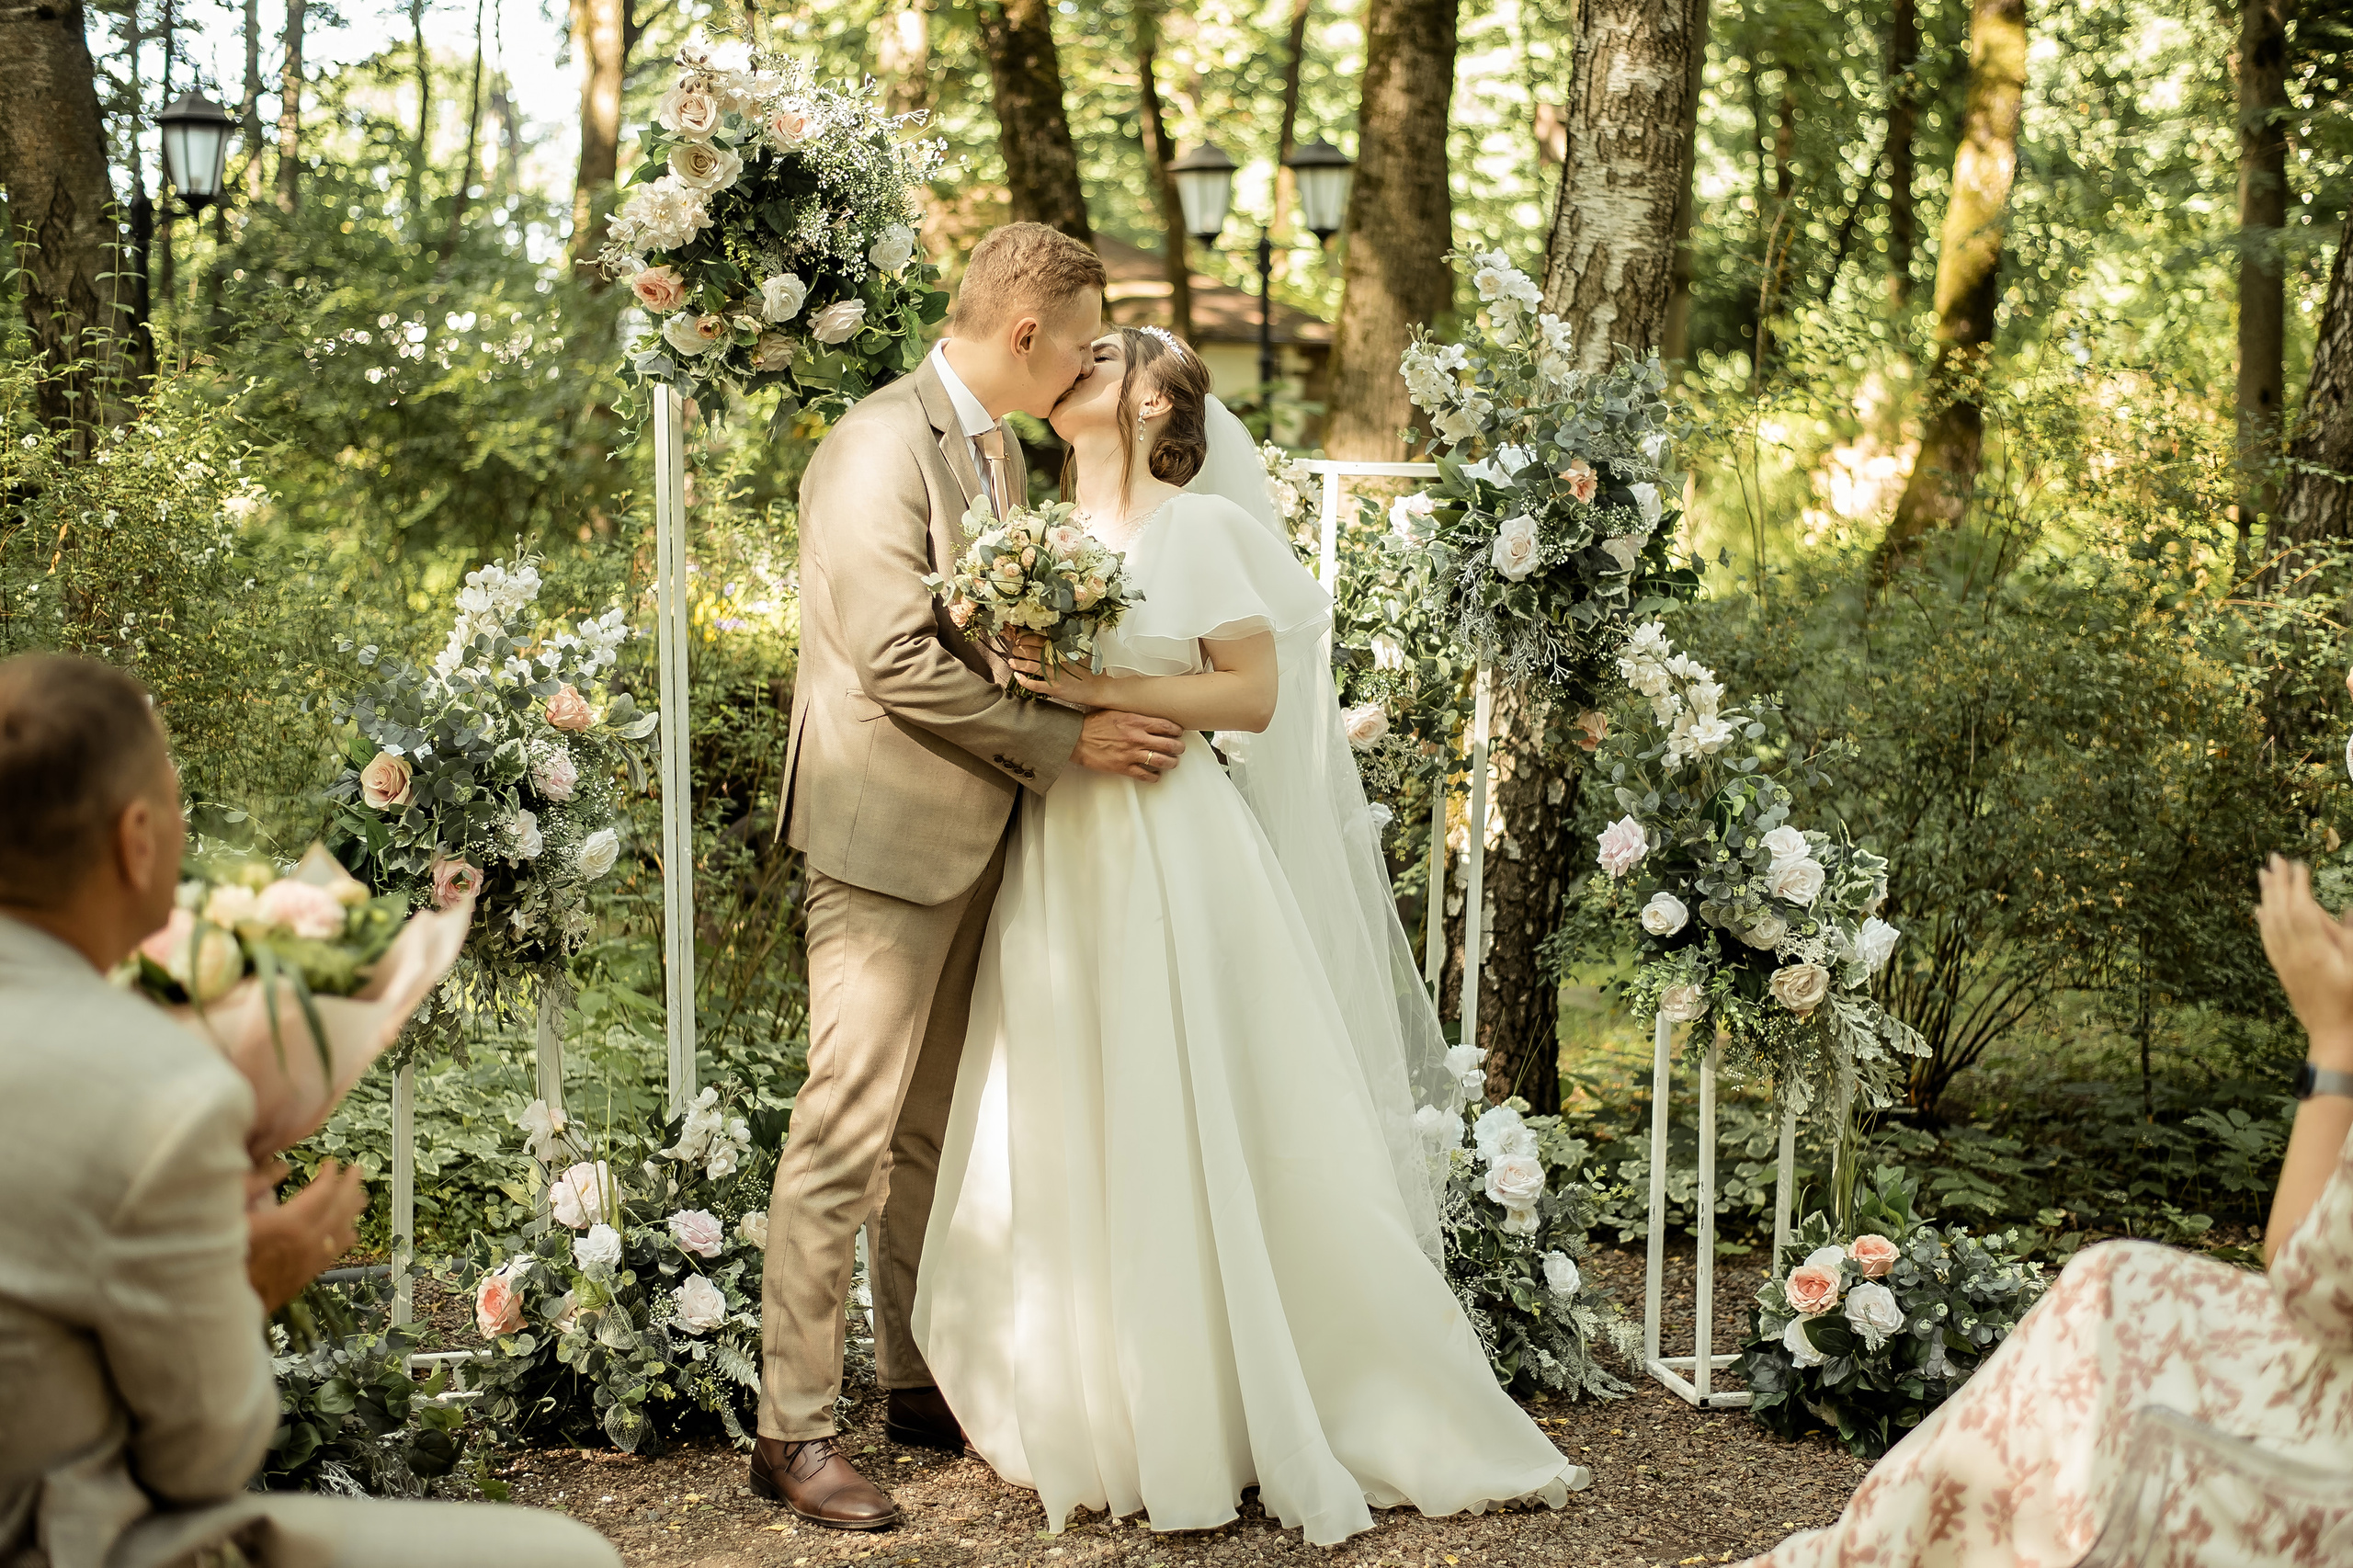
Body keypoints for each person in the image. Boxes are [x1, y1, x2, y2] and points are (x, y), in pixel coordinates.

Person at [908, 327, 1586, 1548]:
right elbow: (1027, 687)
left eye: (1106, 356)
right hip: (1063, 845)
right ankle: (1104, 1400)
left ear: (1155, 401)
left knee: (1195, 1102)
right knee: (1079, 1100)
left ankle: (1239, 1404)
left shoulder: (1198, 529)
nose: (1078, 364)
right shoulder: (1040, 537)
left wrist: (1093, 692)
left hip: (1171, 847)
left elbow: (1250, 694)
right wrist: (1030, 674)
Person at [0, 653, 621, 1568]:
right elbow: (203, 1456)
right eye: (176, 799)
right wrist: (251, 1285)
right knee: (565, 1557)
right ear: (137, 838)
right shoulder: (159, 1094)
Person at [756, 223, 1188, 1530]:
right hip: (888, 840)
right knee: (847, 1127)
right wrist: (1068, 741)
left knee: (934, 1129)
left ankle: (913, 1378)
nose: (1084, 361)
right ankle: (790, 1430)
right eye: (1079, 338)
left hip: (981, 833)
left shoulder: (996, 450)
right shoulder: (877, 445)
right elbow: (892, 653)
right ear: (1025, 336)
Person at [1731, 853, 2353, 1568]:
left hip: (2315, 1457)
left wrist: (2335, 1041)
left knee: (2110, 1299)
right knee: (2111, 1289)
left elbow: (2313, 1286)